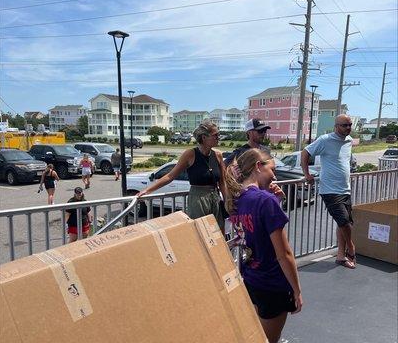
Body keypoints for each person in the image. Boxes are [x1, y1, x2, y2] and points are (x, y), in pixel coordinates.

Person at [225, 148, 302, 343]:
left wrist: (275, 200)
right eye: (272, 168)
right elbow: (284, 254)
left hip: (252, 278)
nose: (275, 175)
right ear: (258, 166)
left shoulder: (236, 200)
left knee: (257, 332)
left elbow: (255, 231)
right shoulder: (265, 200)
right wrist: (297, 289)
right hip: (273, 282)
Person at [137, 120, 227, 231]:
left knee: (218, 233)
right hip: (197, 200)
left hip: (215, 199)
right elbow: (170, 176)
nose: (218, 137)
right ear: (204, 137)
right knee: (200, 233)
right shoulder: (190, 154)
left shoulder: (218, 155)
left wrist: (227, 201)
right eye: (215, 135)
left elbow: (222, 181)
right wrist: (148, 190)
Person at [301, 114, 356, 269]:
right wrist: (307, 174)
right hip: (330, 190)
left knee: (344, 223)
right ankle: (351, 248)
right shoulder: (325, 139)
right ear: (336, 126)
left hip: (345, 188)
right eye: (344, 125)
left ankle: (340, 256)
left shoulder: (349, 141)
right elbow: (305, 153)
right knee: (345, 222)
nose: (348, 128)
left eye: (350, 124)